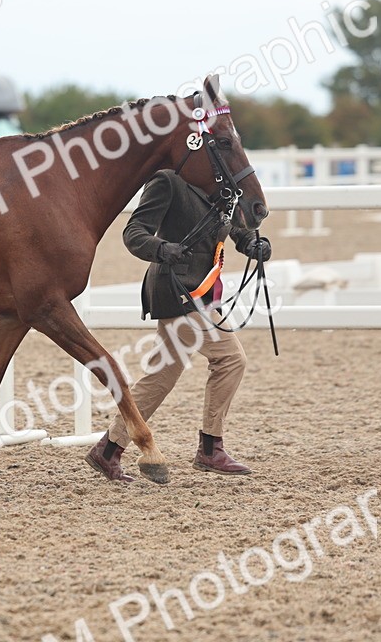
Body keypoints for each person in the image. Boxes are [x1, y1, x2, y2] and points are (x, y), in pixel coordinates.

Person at [86, 169, 271, 482]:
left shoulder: (221, 183)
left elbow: (236, 227)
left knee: (162, 375)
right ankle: (211, 448)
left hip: (202, 288)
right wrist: (161, 249)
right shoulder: (167, 181)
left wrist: (253, 243)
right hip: (176, 287)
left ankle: (108, 450)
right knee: (230, 359)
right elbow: (134, 232)